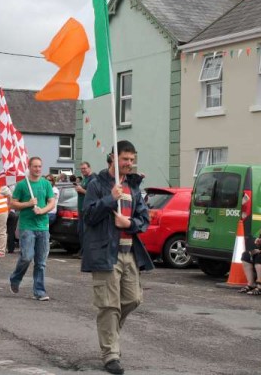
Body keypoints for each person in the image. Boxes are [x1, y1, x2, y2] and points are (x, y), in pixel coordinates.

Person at [81, 140, 154, 375]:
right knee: (109, 306)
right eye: (125, 159)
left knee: (133, 299)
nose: (129, 164)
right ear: (113, 157)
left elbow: (144, 219)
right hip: (105, 252)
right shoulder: (96, 184)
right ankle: (111, 353)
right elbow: (89, 216)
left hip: (129, 252)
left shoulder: (133, 187)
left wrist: (129, 223)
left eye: (132, 160)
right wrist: (110, 198)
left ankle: (109, 332)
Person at [9, 157, 56, 301]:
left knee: (41, 262)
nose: (38, 169)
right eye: (35, 166)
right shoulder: (22, 185)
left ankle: (39, 291)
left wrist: (43, 211)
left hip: (43, 226)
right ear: (29, 167)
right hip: (27, 226)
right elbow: (13, 204)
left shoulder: (46, 183)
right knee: (27, 257)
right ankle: (15, 278)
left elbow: (52, 202)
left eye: (40, 166)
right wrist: (28, 204)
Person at [74, 161, 97, 259]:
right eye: (81, 169)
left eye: (84, 168)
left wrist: (81, 190)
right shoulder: (84, 179)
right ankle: (82, 251)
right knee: (81, 232)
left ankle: (86, 253)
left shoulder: (94, 178)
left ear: (89, 168)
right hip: (81, 209)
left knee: (86, 232)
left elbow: (95, 194)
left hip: (88, 210)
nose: (83, 170)